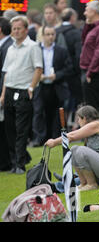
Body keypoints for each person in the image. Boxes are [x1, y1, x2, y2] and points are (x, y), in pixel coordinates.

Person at [45, 105, 99, 191]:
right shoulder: (93, 130)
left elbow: (72, 136)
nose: (78, 122)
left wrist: (54, 142)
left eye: (78, 119)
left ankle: (91, 184)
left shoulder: (96, 125)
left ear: (84, 118)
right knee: (74, 149)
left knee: (80, 150)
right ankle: (83, 183)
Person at [0, 16, 43, 174]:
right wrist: (3, 94)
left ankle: (20, 164)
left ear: (25, 29)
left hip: (24, 91)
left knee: (21, 129)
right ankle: (15, 161)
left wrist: (31, 88)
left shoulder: (33, 47)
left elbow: (38, 69)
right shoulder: (11, 48)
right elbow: (7, 73)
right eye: (14, 29)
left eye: (19, 28)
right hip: (10, 90)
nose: (16, 31)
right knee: (9, 128)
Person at [31, 26, 72, 146]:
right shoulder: (36, 49)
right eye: (48, 34)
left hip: (56, 85)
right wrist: (38, 76)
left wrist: (57, 75)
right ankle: (39, 138)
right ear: (43, 35)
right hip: (40, 85)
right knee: (39, 112)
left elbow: (69, 68)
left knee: (56, 113)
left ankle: (55, 138)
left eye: (52, 34)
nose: (50, 37)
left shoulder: (62, 50)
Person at [80, 0, 99, 118]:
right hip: (90, 71)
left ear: (94, 11)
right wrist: (87, 25)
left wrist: (90, 72)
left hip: (95, 72)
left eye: (86, 10)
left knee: (95, 106)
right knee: (90, 105)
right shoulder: (95, 27)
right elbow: (84, 41)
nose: (84, 13)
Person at [0, 17, 14, 171]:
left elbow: (5, 73)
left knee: (5, 127)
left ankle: (6, 162)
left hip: (5, 91)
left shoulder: (7, 47)